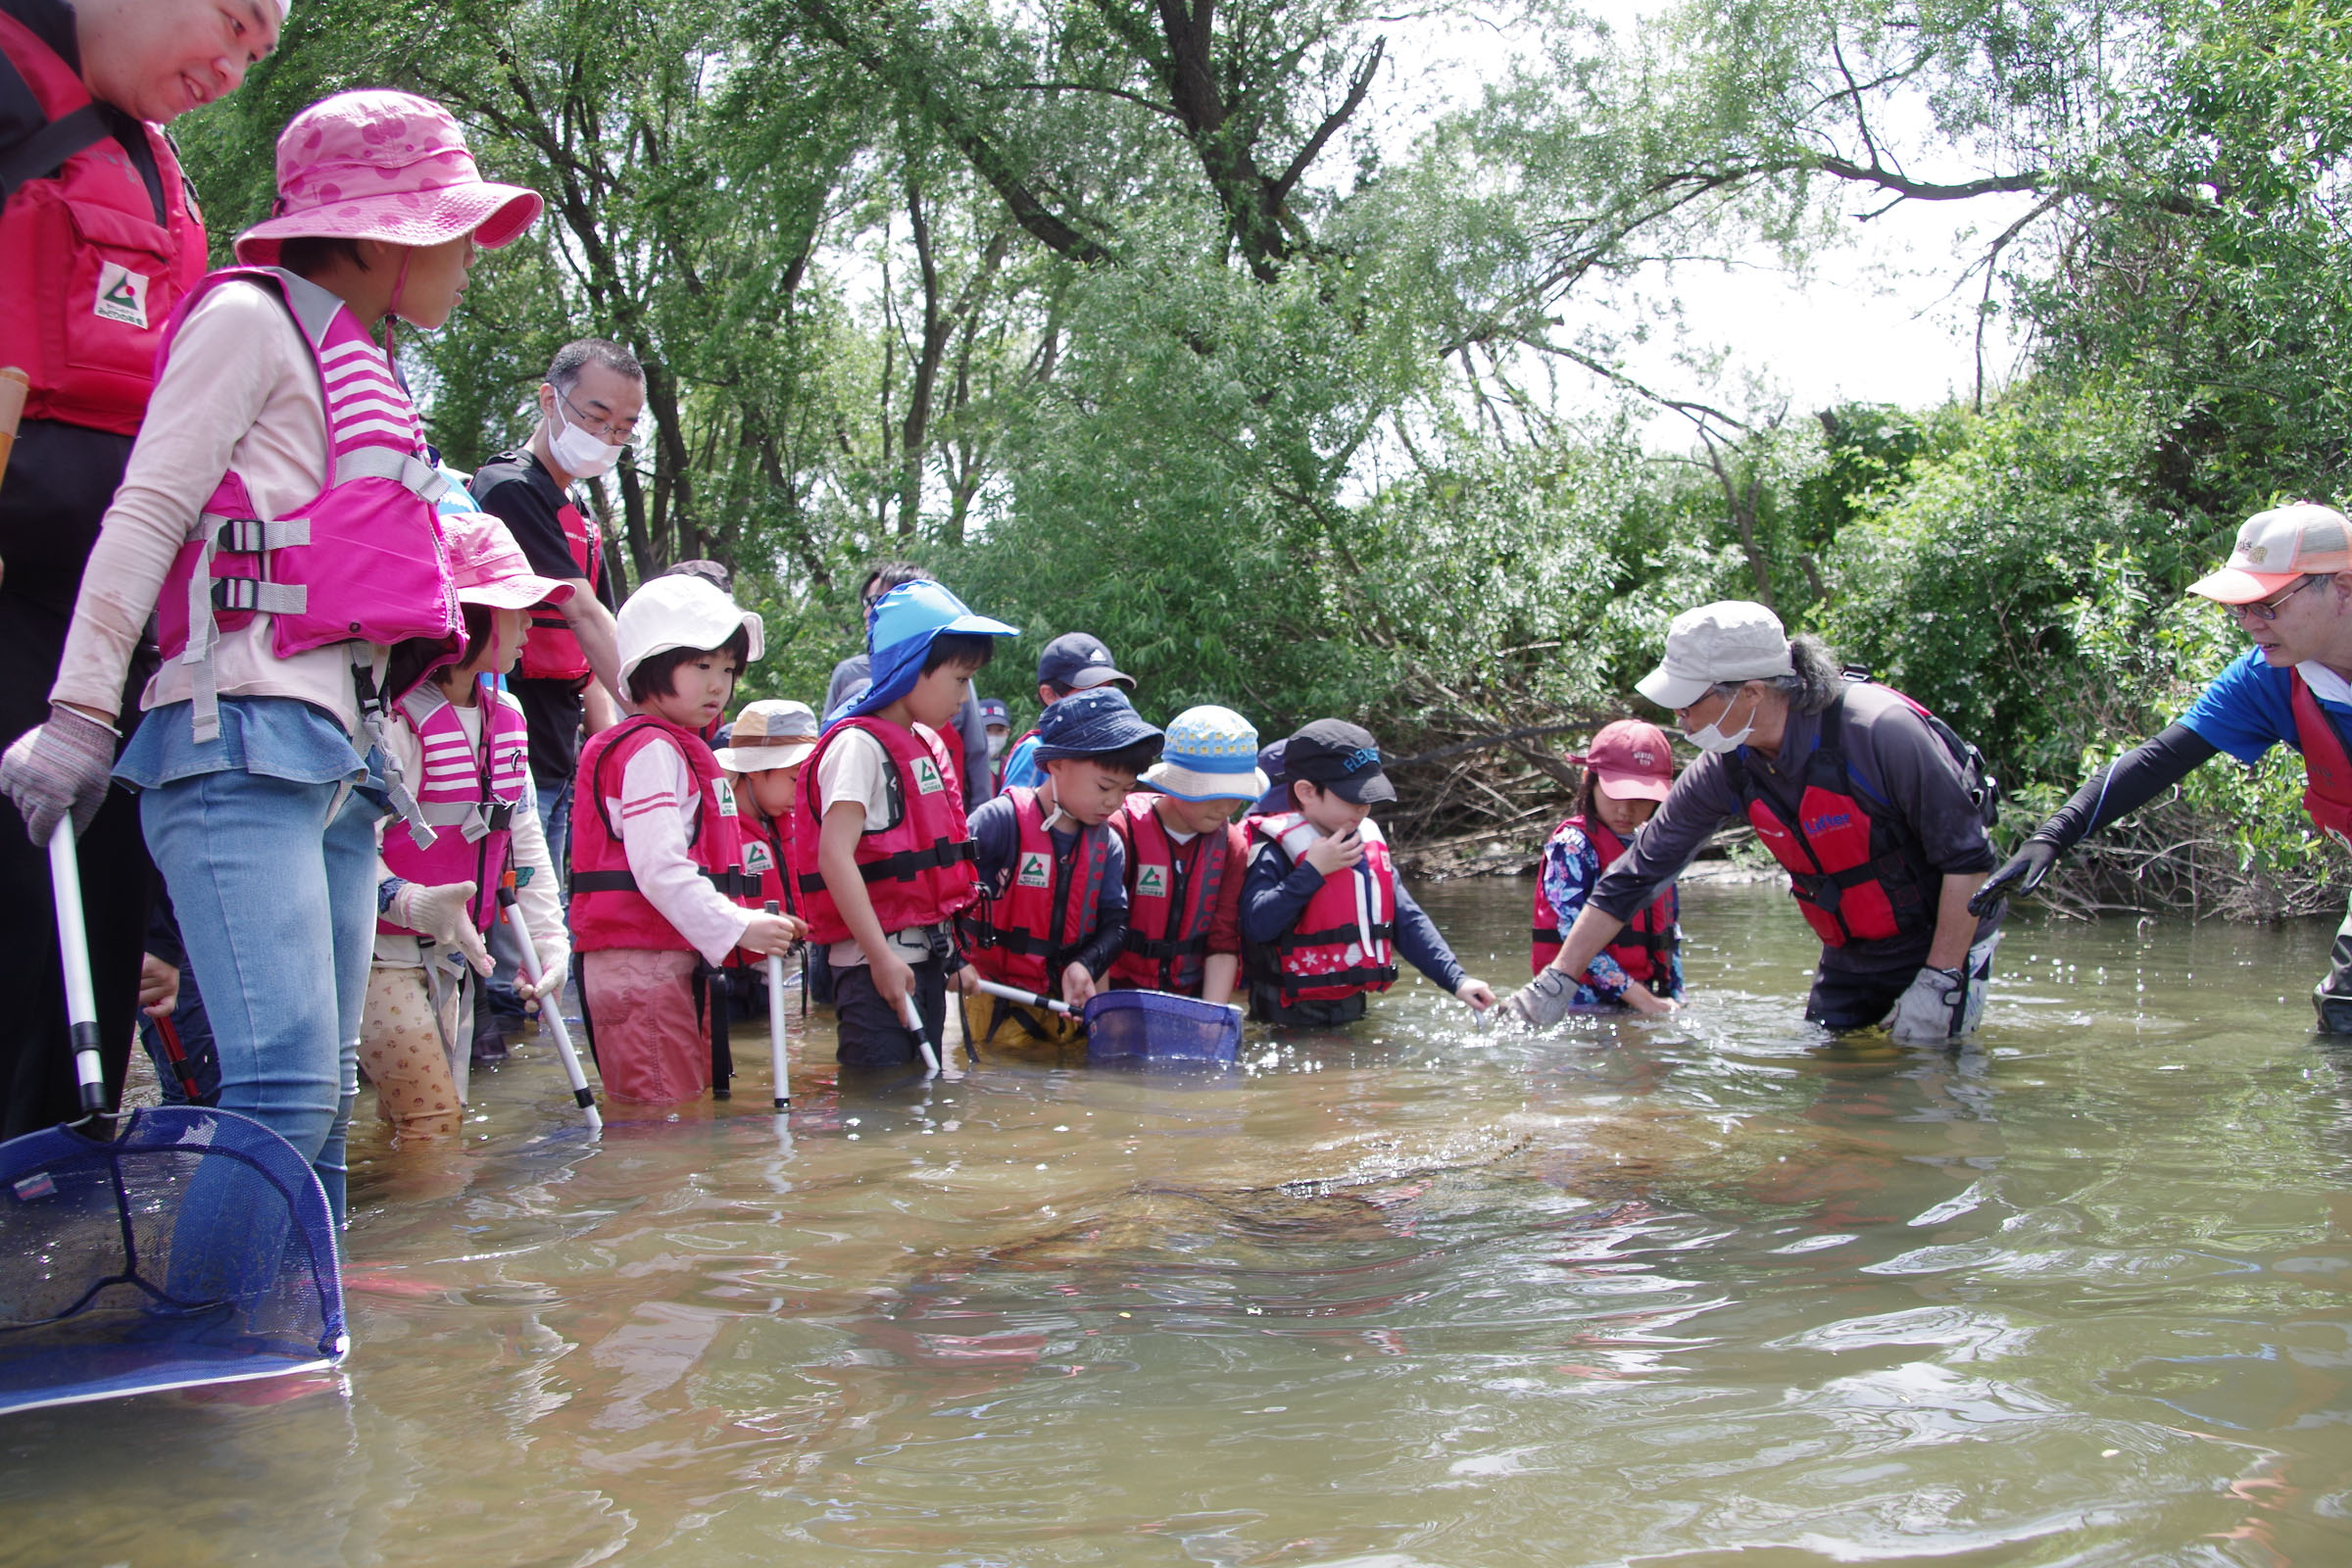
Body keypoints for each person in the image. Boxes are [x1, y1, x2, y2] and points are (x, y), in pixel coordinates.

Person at [0, 88, 540, 1216]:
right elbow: (145, 515)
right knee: (284, 1092)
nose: (468, 255)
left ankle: (303, 1367)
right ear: (378, 233)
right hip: (234, 733)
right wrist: (79, 714)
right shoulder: (246, 321)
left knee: (321, 1100)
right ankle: (227, 1368)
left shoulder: (367, 363)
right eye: (451, 230)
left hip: (340, 757)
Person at [0, 0, 277, 1138]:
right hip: (22, 599)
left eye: (256, 57)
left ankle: (46, 1198)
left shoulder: (153, 160)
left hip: (112, 627)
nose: (230, 67)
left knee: (93, 925)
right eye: (229, 22)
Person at [1506, 601, 2001, 1041]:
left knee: (1930, 1081)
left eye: (1689, 699)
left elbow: (1968, 861)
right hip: (1853, 949)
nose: (1678, 716)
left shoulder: (1880, 733)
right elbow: (1638, 874)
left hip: (1946, 939)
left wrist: (1941, 979)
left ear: (1752, 693)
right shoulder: (1728, 766)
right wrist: (1558, 979)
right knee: (1832, 1088)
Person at [1976, 503, 2352, 1033]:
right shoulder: (2269, 678)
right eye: (2239, 607)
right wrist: (2053, 835)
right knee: (2344, 1019)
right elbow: (2160, 759)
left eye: (2266, 604)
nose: (2248, 623)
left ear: (2342, 586)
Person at [363, 514, 567, 1140]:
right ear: (465, 614)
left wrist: (550, 943)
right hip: (380, 956)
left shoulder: (506, 715)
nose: (531, 622)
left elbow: (523, 839)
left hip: (455, 958)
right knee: (434, 1126)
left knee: (414, 1127)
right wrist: (410, 900)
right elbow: (346, 844)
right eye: (516, 607)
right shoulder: (387, 717)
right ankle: (430, 1239)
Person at [566, 576, 801, 1104]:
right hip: (638, 967)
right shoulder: (652, 751)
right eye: (701, 666)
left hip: (657, 962)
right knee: (662, 1133)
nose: (718, 685)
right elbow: (660, 871)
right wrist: (740, 925)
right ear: (651, 665)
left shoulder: (670, 747)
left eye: (727, 670)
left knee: (679, 1120)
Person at [800, 580, 1013, 1068]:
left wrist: (952, 959)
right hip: (874, 968)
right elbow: (833, 855)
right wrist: (879, 958)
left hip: (920, 961)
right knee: (880, 1113)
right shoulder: (858, 747)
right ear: (912, 667)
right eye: (961, 680)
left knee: (917, 1110)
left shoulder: (914, 742)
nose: (967, 698)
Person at [466, 339, 635, 889]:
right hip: (508, 744)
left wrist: (610, 755)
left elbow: (596, 647)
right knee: (513, 927)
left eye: (625, 429)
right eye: (597, 417)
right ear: (549, 400)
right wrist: (658, 713)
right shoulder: (508, 489)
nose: (609, 438)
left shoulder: (578, 511)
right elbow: (583, 613)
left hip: (559, 752)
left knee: (549, 912)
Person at [1240, 720, 1497, 1026]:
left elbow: (1408, 921)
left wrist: (1457, 980)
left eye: (1369, 796)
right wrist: (1312, 871)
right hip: (1283, 1017)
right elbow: (1256, 925)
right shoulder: (1273, 850)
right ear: (1307, 792)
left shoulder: (1365, 844)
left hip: (1352, 1008)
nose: (1363, 807)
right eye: (1352, 796)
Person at [962, 687, 1161, 1048]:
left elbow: (1114, 925)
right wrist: (953, 964)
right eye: (1105, 786)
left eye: (1126, 790)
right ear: (1056, 764)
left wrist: (1086, 964)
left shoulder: (1108, 844)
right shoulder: (999, 821)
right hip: (993, 1002)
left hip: (1066, 1008)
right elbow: (947, 897)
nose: (1114, 802)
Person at [1106, 704, 1261, 1004]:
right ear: (1175, 784)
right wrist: (1098, 1013)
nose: (1226, 808)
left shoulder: (1231, 844)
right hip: (1118, 990)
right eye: (1214, 793)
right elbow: (1096, 929)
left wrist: (1210, 1018)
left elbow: (1222, 940)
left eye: (1236, 795)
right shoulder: (1122, 829)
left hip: (1188, 994)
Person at [1527, 719, 1683, 1013]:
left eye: (1640, 798)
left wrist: (1675, 996)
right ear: (1589, 780)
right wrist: (1644, 1001)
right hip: (1580, 1004)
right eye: (1615, 794)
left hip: (1644, 999)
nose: (1625, 810)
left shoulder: (1653, 848)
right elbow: (1574, 935)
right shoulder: (1572, 846)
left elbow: (1669, 932)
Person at [825, 562, 994, 808]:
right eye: (869, 603)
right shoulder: (849, 685)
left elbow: (975, 759)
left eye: (877, 602)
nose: (867, 613)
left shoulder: (950, 680)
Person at [716, 699, 818, 923]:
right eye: (794, 779)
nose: (801, 793)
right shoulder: (717, 830)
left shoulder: (789, 826)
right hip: (746, 956)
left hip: (792, 954)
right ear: (754, 768)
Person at [996, 632, 1134, 792]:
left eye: (1108, 690)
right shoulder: (1036, 750)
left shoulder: (1110, 747)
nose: (1102, 700)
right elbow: (1014, 811)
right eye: (1090, 691)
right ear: (1050, 695)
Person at [979, 697, 1011, 770]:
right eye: (987, 730)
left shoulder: (1011, 766)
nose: (993, 735)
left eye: (1000, 730)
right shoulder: (966, 766)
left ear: (1008, 732)